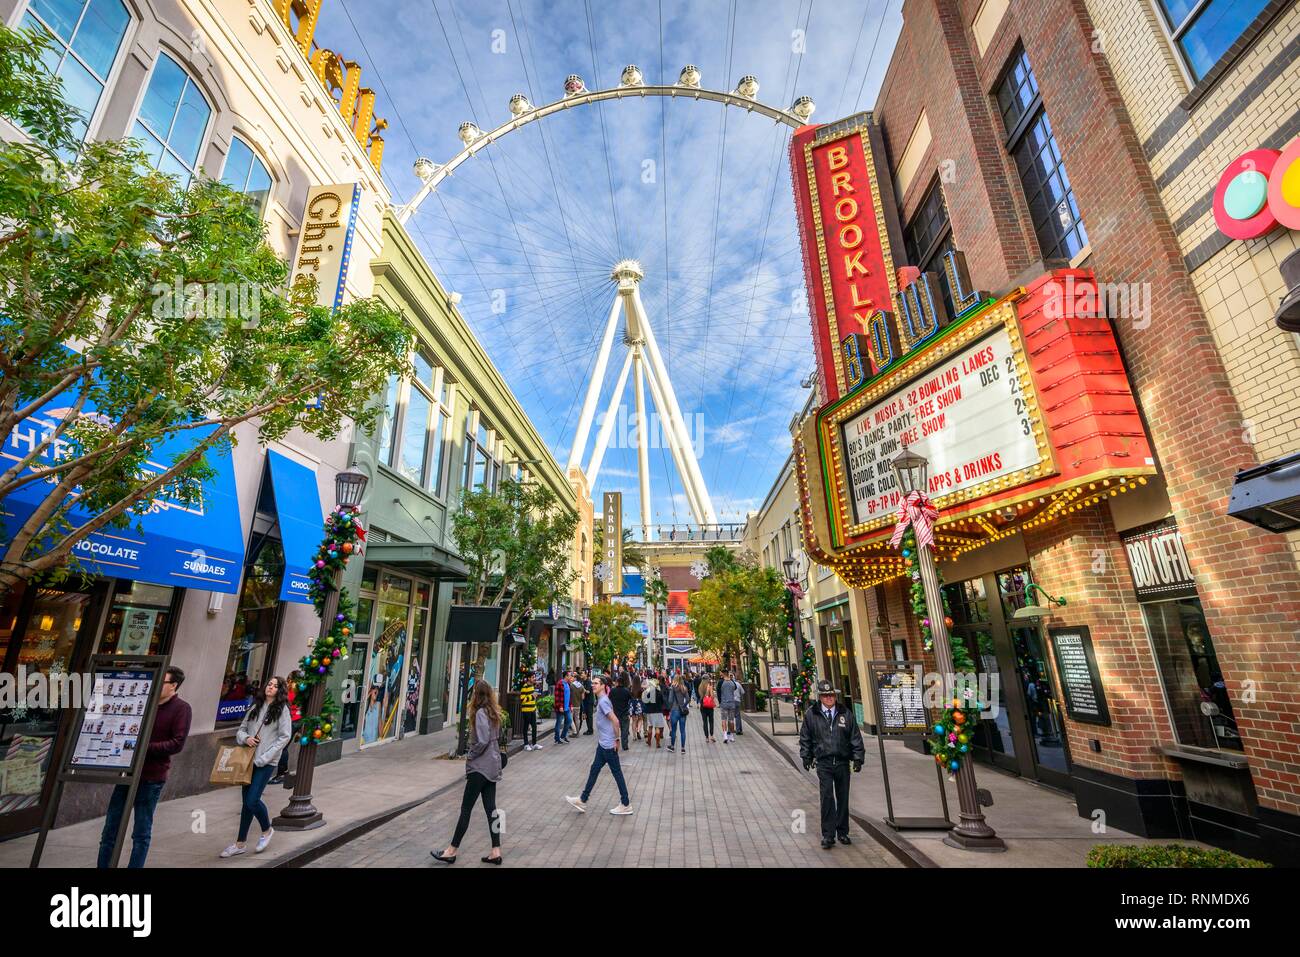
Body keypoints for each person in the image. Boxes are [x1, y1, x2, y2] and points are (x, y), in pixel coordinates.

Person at [96, 665, 192, 868]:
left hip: (152, 777)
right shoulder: (143, 703)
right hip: (127, 773)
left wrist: (144, 747)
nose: (156, 685)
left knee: (141, 832)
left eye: (162, 681)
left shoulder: (182, 709)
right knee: (110, 829)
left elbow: (177, 743)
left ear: (173, 685)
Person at [220, 675, 293, 858]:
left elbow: (284, 737)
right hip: (248, 759)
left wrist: (266, 756)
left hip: (266, 762)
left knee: (252, 800)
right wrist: (246, 739)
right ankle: (240, 843)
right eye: (269, 684)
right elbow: (241, 729)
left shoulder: (282, 710)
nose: (271, 687)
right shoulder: (255, 706)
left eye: (275, 686)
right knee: (246, 804)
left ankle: (267, 830)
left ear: (280, 690)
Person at [432, 680, 504, 864]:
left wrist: (471, 755)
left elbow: (482, 741)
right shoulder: (494, 713)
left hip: (480, 767)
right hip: (493, 765)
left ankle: (451, 851)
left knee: (466, 809)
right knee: (491, 810)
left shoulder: (480, 713)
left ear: (477, 695)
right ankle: (496, 851)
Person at [798, 680, 865, 850]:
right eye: (825, 695)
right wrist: (806, 756)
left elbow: (855, 736)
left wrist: (858, 758)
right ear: (820, 697)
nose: (829, 698)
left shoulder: (845, 713)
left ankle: (842, 832)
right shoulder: (811, 714)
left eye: (831, 695)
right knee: (827, 797)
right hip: (824, 763)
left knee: (843, 797)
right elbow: (805, 738)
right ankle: (828, 835)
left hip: (842, 762)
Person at [565, 675, 633, 816]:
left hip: (608, 745)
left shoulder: (603, 702)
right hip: (603, 745)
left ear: (603, 686)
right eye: (593, 683)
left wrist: (617, 739)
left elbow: (615, 721)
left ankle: (626, 804)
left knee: (617, 774)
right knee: (594, 770)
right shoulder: (602, 700)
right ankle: (582, 799)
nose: (593, 685)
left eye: (596, 683)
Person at [609, 672, 633, 750]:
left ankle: (614, 744)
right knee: (625, 730)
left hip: (615, 713)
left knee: (614, 730)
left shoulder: (612, 691)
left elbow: (609, 700)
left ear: (617, 682)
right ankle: (625, 745)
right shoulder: (626, 691)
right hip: (625, 713)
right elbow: (631, 699)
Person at [667, 675, 690, 753]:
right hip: (682, 711)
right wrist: (683, 705)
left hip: (674, 710)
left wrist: (670, 707)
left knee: (674, 730)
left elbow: (670, 700)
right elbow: (688, 699)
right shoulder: (684, 688)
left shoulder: (672, 688)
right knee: (682, 730)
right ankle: (683, 748)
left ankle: (672, 747)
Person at [718, 671, 742, 743]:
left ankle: (725, 735)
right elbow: (735, 688)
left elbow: (718, 692)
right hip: (732, 703)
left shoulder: (720, 682)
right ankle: (731, 736)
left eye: (721, 673)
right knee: (731, 720)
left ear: (723, 674)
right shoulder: (732, 682)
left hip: (724, 703)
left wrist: (720, 702)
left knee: (724, 719)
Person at [642, 672, 664, 748]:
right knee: (657, 727)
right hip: (658, 711)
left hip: (650, 712)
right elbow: (662, 702)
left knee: (650, 727)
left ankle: (649, 742)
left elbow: (645, 702)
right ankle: (658, 743)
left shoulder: (649, 692)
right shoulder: (659, 693)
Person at [520, 672, 541, 751]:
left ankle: (534, 743)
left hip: (532, 709)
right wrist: (532, 696)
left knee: (534, 727)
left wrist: (535, 705)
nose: (534, 678)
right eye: (532, 677)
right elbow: (522, 700)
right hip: (526, 710)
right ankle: (526, 744)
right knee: (526, 727)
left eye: (534, 677)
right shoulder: (524, 687)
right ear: (529, 678)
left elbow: (532, 698)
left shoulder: (532, 686)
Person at [553, 670, 572, 744]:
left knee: (569, 720)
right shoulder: (560, 683)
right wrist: (560, 706)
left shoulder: (568, 684)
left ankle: (563, 736)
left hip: (566, 707)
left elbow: (568, 696)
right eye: (569, 675)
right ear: (566, 676)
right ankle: (557, 738)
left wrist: (570, 705)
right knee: (559, 722)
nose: (571, 677)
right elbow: (557, 696)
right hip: (560, 707)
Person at [698, 676, 717, 744]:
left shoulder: (700, 687)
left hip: (703, 705)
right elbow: (712, 696)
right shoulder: (709, 686)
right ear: (707, 679)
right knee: (711, 721)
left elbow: (700, 696)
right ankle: (711, 736)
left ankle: (706, 738)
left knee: (705, 722)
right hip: (709, 706)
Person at [629, 673, 644, 741]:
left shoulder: (631, 688)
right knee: (640, 719)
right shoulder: (641, 688)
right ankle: (638, 730)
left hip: (632, 704)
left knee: (634, 720)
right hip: (639, 703)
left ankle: (634, 736)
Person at [580, 670, 595, 735]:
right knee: (586, 716)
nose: (581, 675)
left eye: (582, 673)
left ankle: (590, 730)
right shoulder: (583, 681)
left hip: (589, 701)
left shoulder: (588, 682)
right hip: (585, 701)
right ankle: (589, 729)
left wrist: (582, 688)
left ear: (586, 674)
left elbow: (588, 691)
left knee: (589, 716)